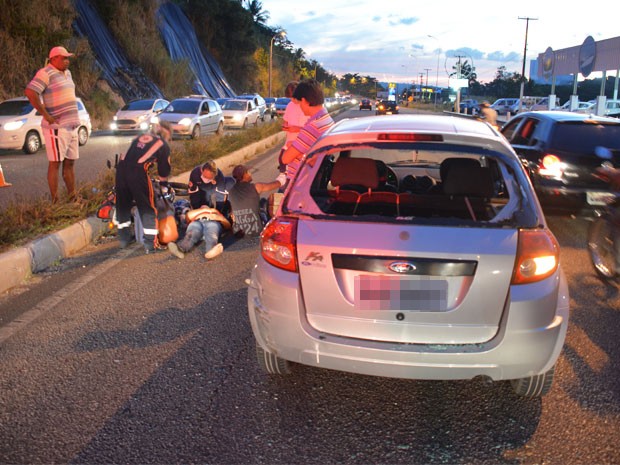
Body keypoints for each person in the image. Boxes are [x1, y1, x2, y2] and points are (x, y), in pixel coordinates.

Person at [25, 46, 81, 203]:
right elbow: (31, 92)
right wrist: (46, 115)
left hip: (72, 126)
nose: (67, 61)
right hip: (57, 127)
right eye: (64, 58)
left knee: (70, 162)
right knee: (55, 163)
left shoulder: (67, 73)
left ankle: (72, 197)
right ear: (54, 58)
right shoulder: (45, 73)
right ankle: (55, 201)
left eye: (67, 58)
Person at [114, 121, 172, 253]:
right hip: (137, 173)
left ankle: (124, 240)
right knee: (147, 207)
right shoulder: (162, 144)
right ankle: (150, 244)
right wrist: (164, 186)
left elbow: (130, 155)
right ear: (167, 133)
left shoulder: (139, 137)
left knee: (123, 205)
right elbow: (163, 170)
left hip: (121, 171)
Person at [167, 160, 235, 260]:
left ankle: (211, 249)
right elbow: (193, 197)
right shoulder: (195, 174)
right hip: (197, 221)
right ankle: (182, 249)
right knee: (191, 234)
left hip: (213, 221)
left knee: (211, 234)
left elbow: (220, 198)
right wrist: (198, 209)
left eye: (209, 178)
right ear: (201, 171)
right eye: (205, 176)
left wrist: (217, 213)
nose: (206, 179)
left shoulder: (219, 178)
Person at [280, 79, 335, 184]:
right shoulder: (327, 119)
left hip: (300, 181)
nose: (300, 106)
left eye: (300, 103)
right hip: (313, 178)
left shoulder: (312, 127)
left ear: (304, 101)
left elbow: (285, 159)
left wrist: (295, 148)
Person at [228, 164, 286, 237]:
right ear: (244, 175)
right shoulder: (256, 187)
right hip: (256, 230)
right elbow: (278, 183)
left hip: (238, 233)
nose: (250, 174)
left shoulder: (231, 192)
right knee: (266, 201)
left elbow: (233, 213)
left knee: (260, 203)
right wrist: (283, 175)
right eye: (248, 172)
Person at [279, 81, 308, 173]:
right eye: (290, 98)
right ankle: (284, 180)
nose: (292, 100)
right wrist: (285, 126)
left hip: (303, 145)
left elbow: (315, 129)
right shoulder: (290, 106)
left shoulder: (308, 106)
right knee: (282, 161)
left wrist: (298, 129)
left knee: (300, 169)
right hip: (289, 143)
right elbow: (286, 121)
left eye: (294, 97)